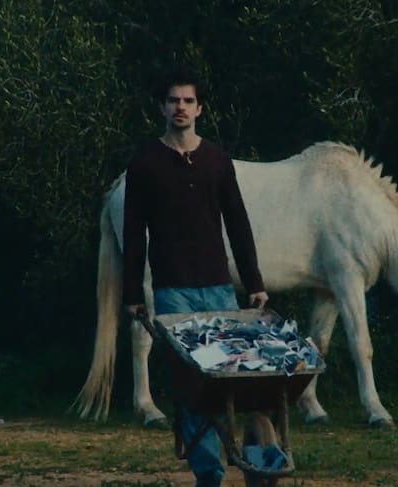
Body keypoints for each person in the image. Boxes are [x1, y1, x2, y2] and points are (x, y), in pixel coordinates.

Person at [122, 65, 269, 487]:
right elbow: (133, 233)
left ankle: (252, 458)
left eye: (188, 100)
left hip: (219, 288)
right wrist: (133, 294)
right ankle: (209, 474)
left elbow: (238, 224)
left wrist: (254, 283)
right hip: (173, 292)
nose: (181, 107)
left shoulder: (217, 160)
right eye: (173, 100)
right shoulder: (145, 162)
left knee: (230, 381)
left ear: (200, 108)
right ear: (162, 107)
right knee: (192, 387)